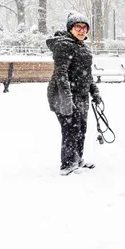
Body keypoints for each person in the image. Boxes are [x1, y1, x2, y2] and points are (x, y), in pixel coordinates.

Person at [47, 12, 102, 176]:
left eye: (85, 28)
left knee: (81, 129)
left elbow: (87, 74)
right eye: (78, 27)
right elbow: (61, 74)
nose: (82, 30)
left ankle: (77, 159)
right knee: (70, 129)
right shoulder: (63, 45)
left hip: (82, 95)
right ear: (70, 28)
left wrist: (95, 91)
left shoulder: (83, 47)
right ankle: (67, 165)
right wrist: (66, 98)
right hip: (63, 94)